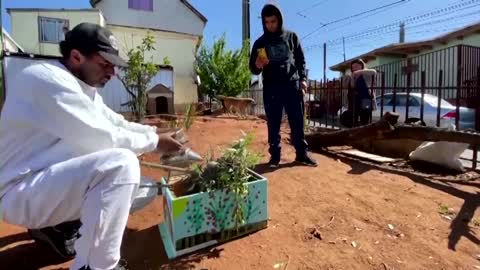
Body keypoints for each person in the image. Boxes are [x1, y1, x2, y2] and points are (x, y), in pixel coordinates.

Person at [0, 23, 184, 270]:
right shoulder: (46, 80)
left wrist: (153, 131)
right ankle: (97, 266)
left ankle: (58, 226)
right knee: (120, 166)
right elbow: (103, 136)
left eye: (114, 65)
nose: (112, 72)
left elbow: (114, 122)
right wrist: (156, 142)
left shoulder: (82, 88)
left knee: (143, 188)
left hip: (44, 181)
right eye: (105, 64)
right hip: (19, 191)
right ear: (77, 56)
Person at [249, 3, 317, 168]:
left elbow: (301, 60)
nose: (270, 25)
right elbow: (254, 69)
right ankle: (275, 157)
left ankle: (301, 155)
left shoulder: (291, 37)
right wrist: (258, 65)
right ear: (263, 23)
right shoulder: (260, 43)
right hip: (272, 88)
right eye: (267, 22)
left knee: (297, 121)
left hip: (292, 85)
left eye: (273, 21)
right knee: (273, 123)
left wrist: (303, 79)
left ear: (279, 19)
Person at [348, 59, 377, 126]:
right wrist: (352, 77)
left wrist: (360, 72)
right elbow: (352, 86)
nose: (355, 68)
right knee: (354, 118)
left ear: (362, 65)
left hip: (366, 99)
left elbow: (374, 72)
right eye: (353, 67)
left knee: (365, 117)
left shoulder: (366, 73)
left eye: (357, 66)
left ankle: (366, 132)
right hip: (356, 99)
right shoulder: (353, 76)